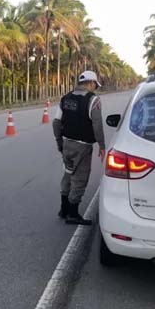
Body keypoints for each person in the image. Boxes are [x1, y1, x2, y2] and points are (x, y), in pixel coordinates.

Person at [53, 71, 106, 225]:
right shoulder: (93, 100)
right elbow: (97, 125)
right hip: (83, 146)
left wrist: (59, 142)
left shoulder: (66, 98)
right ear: (90, 83)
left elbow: (56, 123)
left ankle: (63, 210)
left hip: (67, 144)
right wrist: (102, 145)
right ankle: (73, 214)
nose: (95, 88)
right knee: (80, 178)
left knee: (68, 174)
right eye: (95, 84)